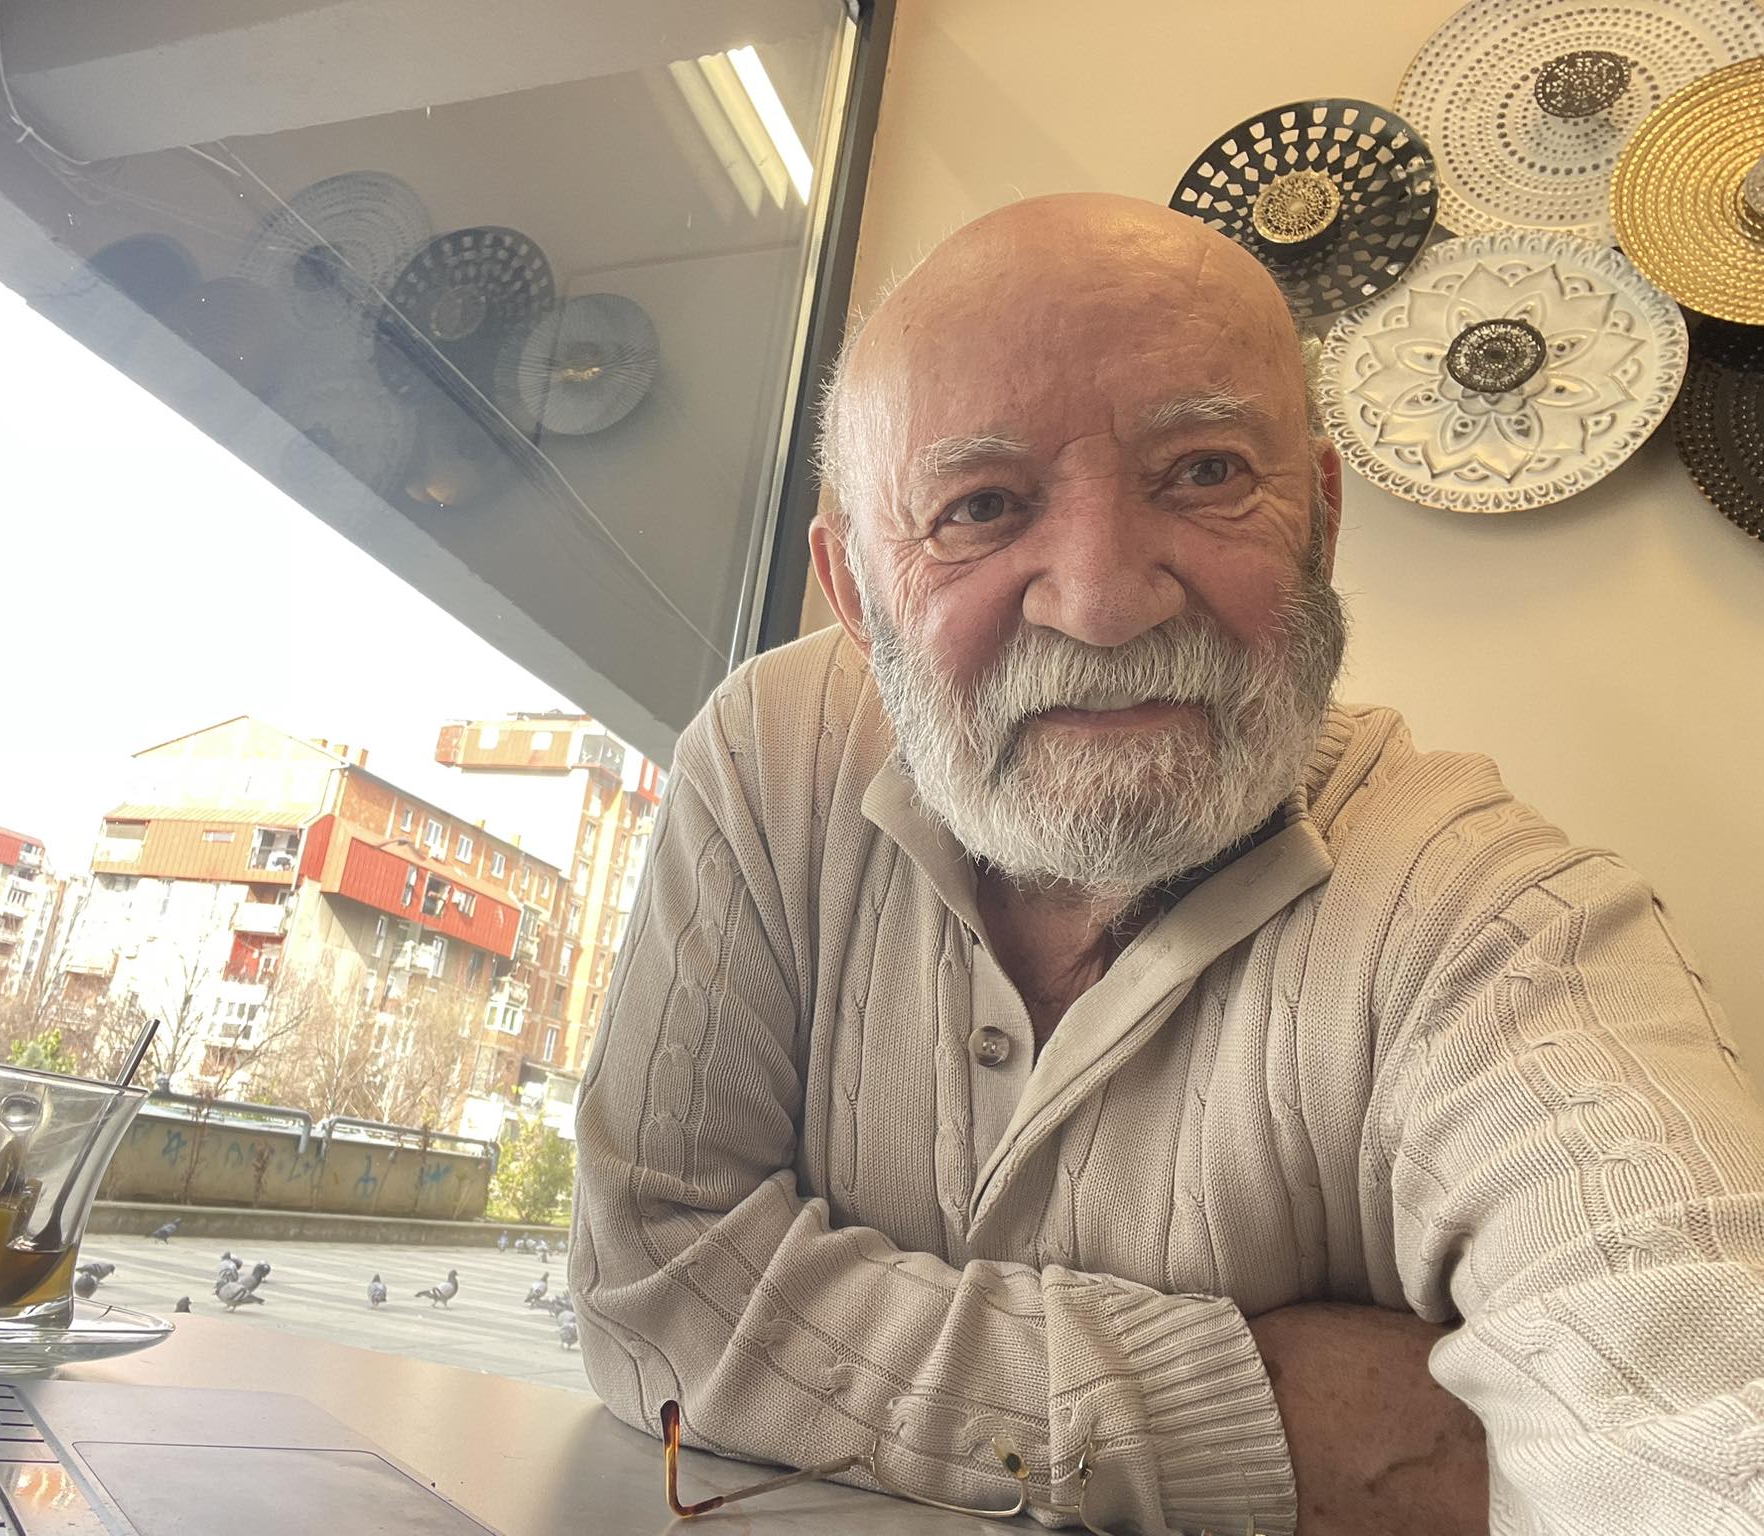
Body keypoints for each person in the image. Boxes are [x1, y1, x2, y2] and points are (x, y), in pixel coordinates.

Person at [567, 193, 1764, 1534]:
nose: (1103, 599)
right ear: (853, 591)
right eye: (980, 505)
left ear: (1318, 521)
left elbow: (1702, 1405)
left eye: (1203, 472)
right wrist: (1281, 1419)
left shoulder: (1499, 923)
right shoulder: (771, 757)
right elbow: (653, 1293)